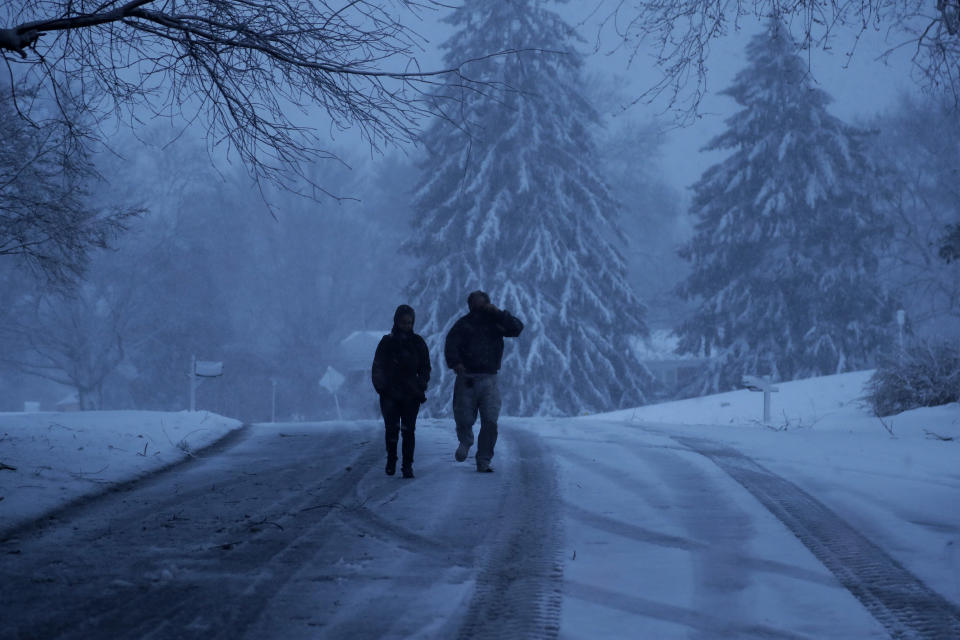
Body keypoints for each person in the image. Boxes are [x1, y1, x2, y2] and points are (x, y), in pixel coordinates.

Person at [444, 290, 523, 473]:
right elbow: (451, 344)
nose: (478, 308)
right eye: (475, 304)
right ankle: (465, 441)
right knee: (463, 417)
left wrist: (498, 312)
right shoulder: (463, 324)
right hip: (466, 378)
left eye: (482, 304)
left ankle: (484, 459)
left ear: (488, 304)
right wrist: (455, 363)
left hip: (489, 378)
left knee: (490, 421)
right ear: (469, 305)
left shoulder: (496, 323)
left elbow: (517, 328)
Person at [371, 304, 430, 479]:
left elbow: (425, 367)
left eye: (409, 322)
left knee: (408, 430)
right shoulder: (386, 342)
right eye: (403, 322)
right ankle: (392, 458)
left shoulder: (418, 343)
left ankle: (407, 465)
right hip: (389, 393)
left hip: (411, 394)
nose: (406, 326)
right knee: (392, 429)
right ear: (397, 321)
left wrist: (421, 384)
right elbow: (377, 367)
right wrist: (381, 388)